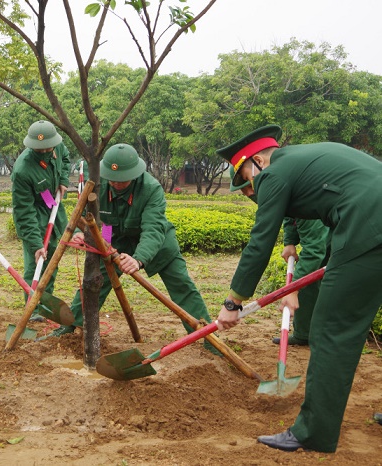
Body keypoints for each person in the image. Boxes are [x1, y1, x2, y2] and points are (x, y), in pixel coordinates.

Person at [216, 124, 382, 453]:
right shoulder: (302, 160)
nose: (252, 188)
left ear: (259, 161)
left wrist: (233, 301)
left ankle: (313, 433)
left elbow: (260, 241)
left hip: (368, 225)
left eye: (248, 178)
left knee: (332, 329)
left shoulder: (274, 174)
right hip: (367, 220)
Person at [44, 143, 218, 355]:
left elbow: (153, 229)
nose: (116, 184)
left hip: (158, 244)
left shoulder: (151, 189)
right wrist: (94, 240)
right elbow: (103, 223)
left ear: (135, 174)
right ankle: (71, 325)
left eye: (122, 179)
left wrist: (138, 259)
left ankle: (209, 338)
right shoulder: (97, 188)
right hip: (117, 242)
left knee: (182, 285)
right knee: (94, 280)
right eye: (112, 178)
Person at [229, 166, 329, 346]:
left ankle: (332, 340)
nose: (251, 194)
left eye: (251, 186)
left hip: (351, 233)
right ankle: (304, 334)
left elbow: (314, 250)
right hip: (326, 236)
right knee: (308, 282)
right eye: (245, 192)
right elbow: (288, 213)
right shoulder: (283, 190)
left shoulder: (303, 190)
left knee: (334, 284)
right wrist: (290, 242)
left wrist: (292, 291)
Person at [11, 121, 70, 322]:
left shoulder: (58, 145)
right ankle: (34, 308)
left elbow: (66, 160)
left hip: (54, 207)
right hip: (35, 214)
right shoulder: (22, 170)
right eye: (40, 148)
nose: (45, 150)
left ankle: (46, 303)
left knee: (52, 262)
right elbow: (23, 211)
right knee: (35, 263)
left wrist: (63, 181)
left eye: (48, 147)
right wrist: (35, 244)